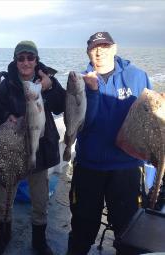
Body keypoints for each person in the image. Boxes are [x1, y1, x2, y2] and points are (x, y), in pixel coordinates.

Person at [67, 32, 152, 255]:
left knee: (128, 229)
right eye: (95, 47)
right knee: (82, 227)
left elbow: (150, 117)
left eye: (105, 46)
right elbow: (85, 124)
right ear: (88, 51)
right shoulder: (81, 82)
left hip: (126, 167)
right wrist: (93, 92)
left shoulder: (137, 76)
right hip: (89, 166)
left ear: (115, 49)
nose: (99, 51)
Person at [0, 40, 66, 255]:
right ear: (16, 61)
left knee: (40, 198)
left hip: (39, 148)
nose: (25, 62)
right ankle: (3, 234)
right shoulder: (6, 85)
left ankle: (39, 240)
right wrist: (7, 117)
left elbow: (61, 106)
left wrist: (49, 88)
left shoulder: (47, 80)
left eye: (30, 58)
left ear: (36, 60)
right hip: (11, 149)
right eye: (21, 58)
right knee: (4, 195)